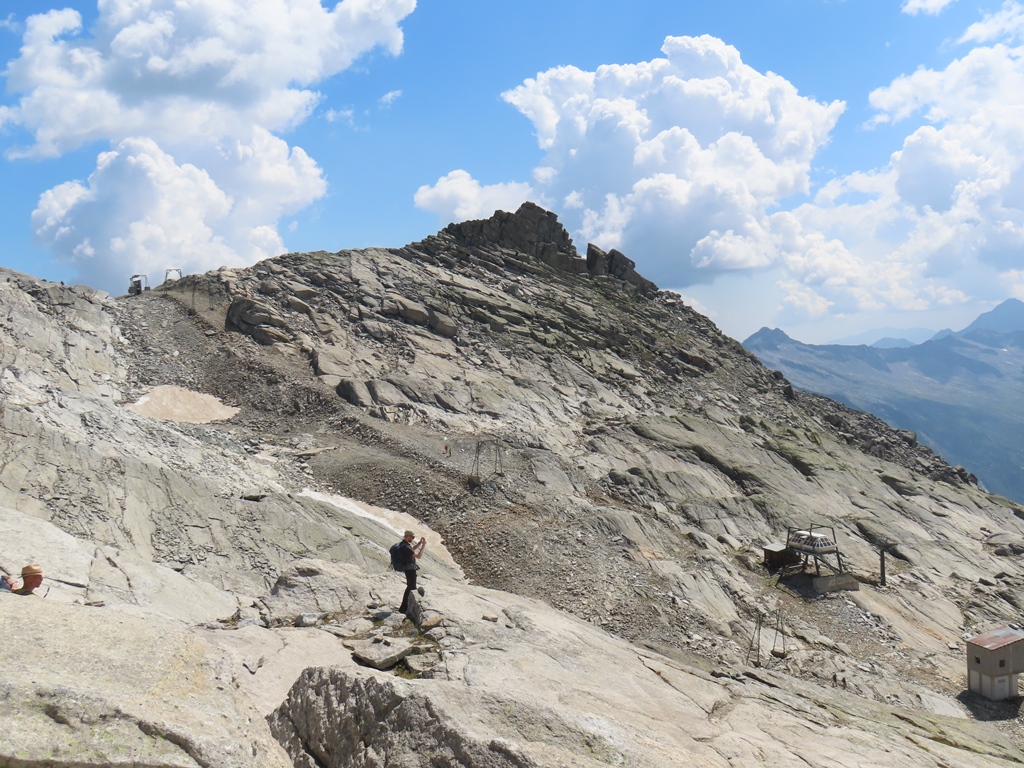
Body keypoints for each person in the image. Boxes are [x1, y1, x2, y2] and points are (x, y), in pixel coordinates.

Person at [396, 530, 425, 614]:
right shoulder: (405, 547)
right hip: (410, 569)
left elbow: (412, 549)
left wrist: (419, 543)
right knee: (411, 588)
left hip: (408, 568)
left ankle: (404, 607)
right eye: (412, 537)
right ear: (408, 536)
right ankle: (404, 608)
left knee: (410, 587)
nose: (412, 539)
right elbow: (418, 556)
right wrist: (423, 546)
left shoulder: (403, 545)